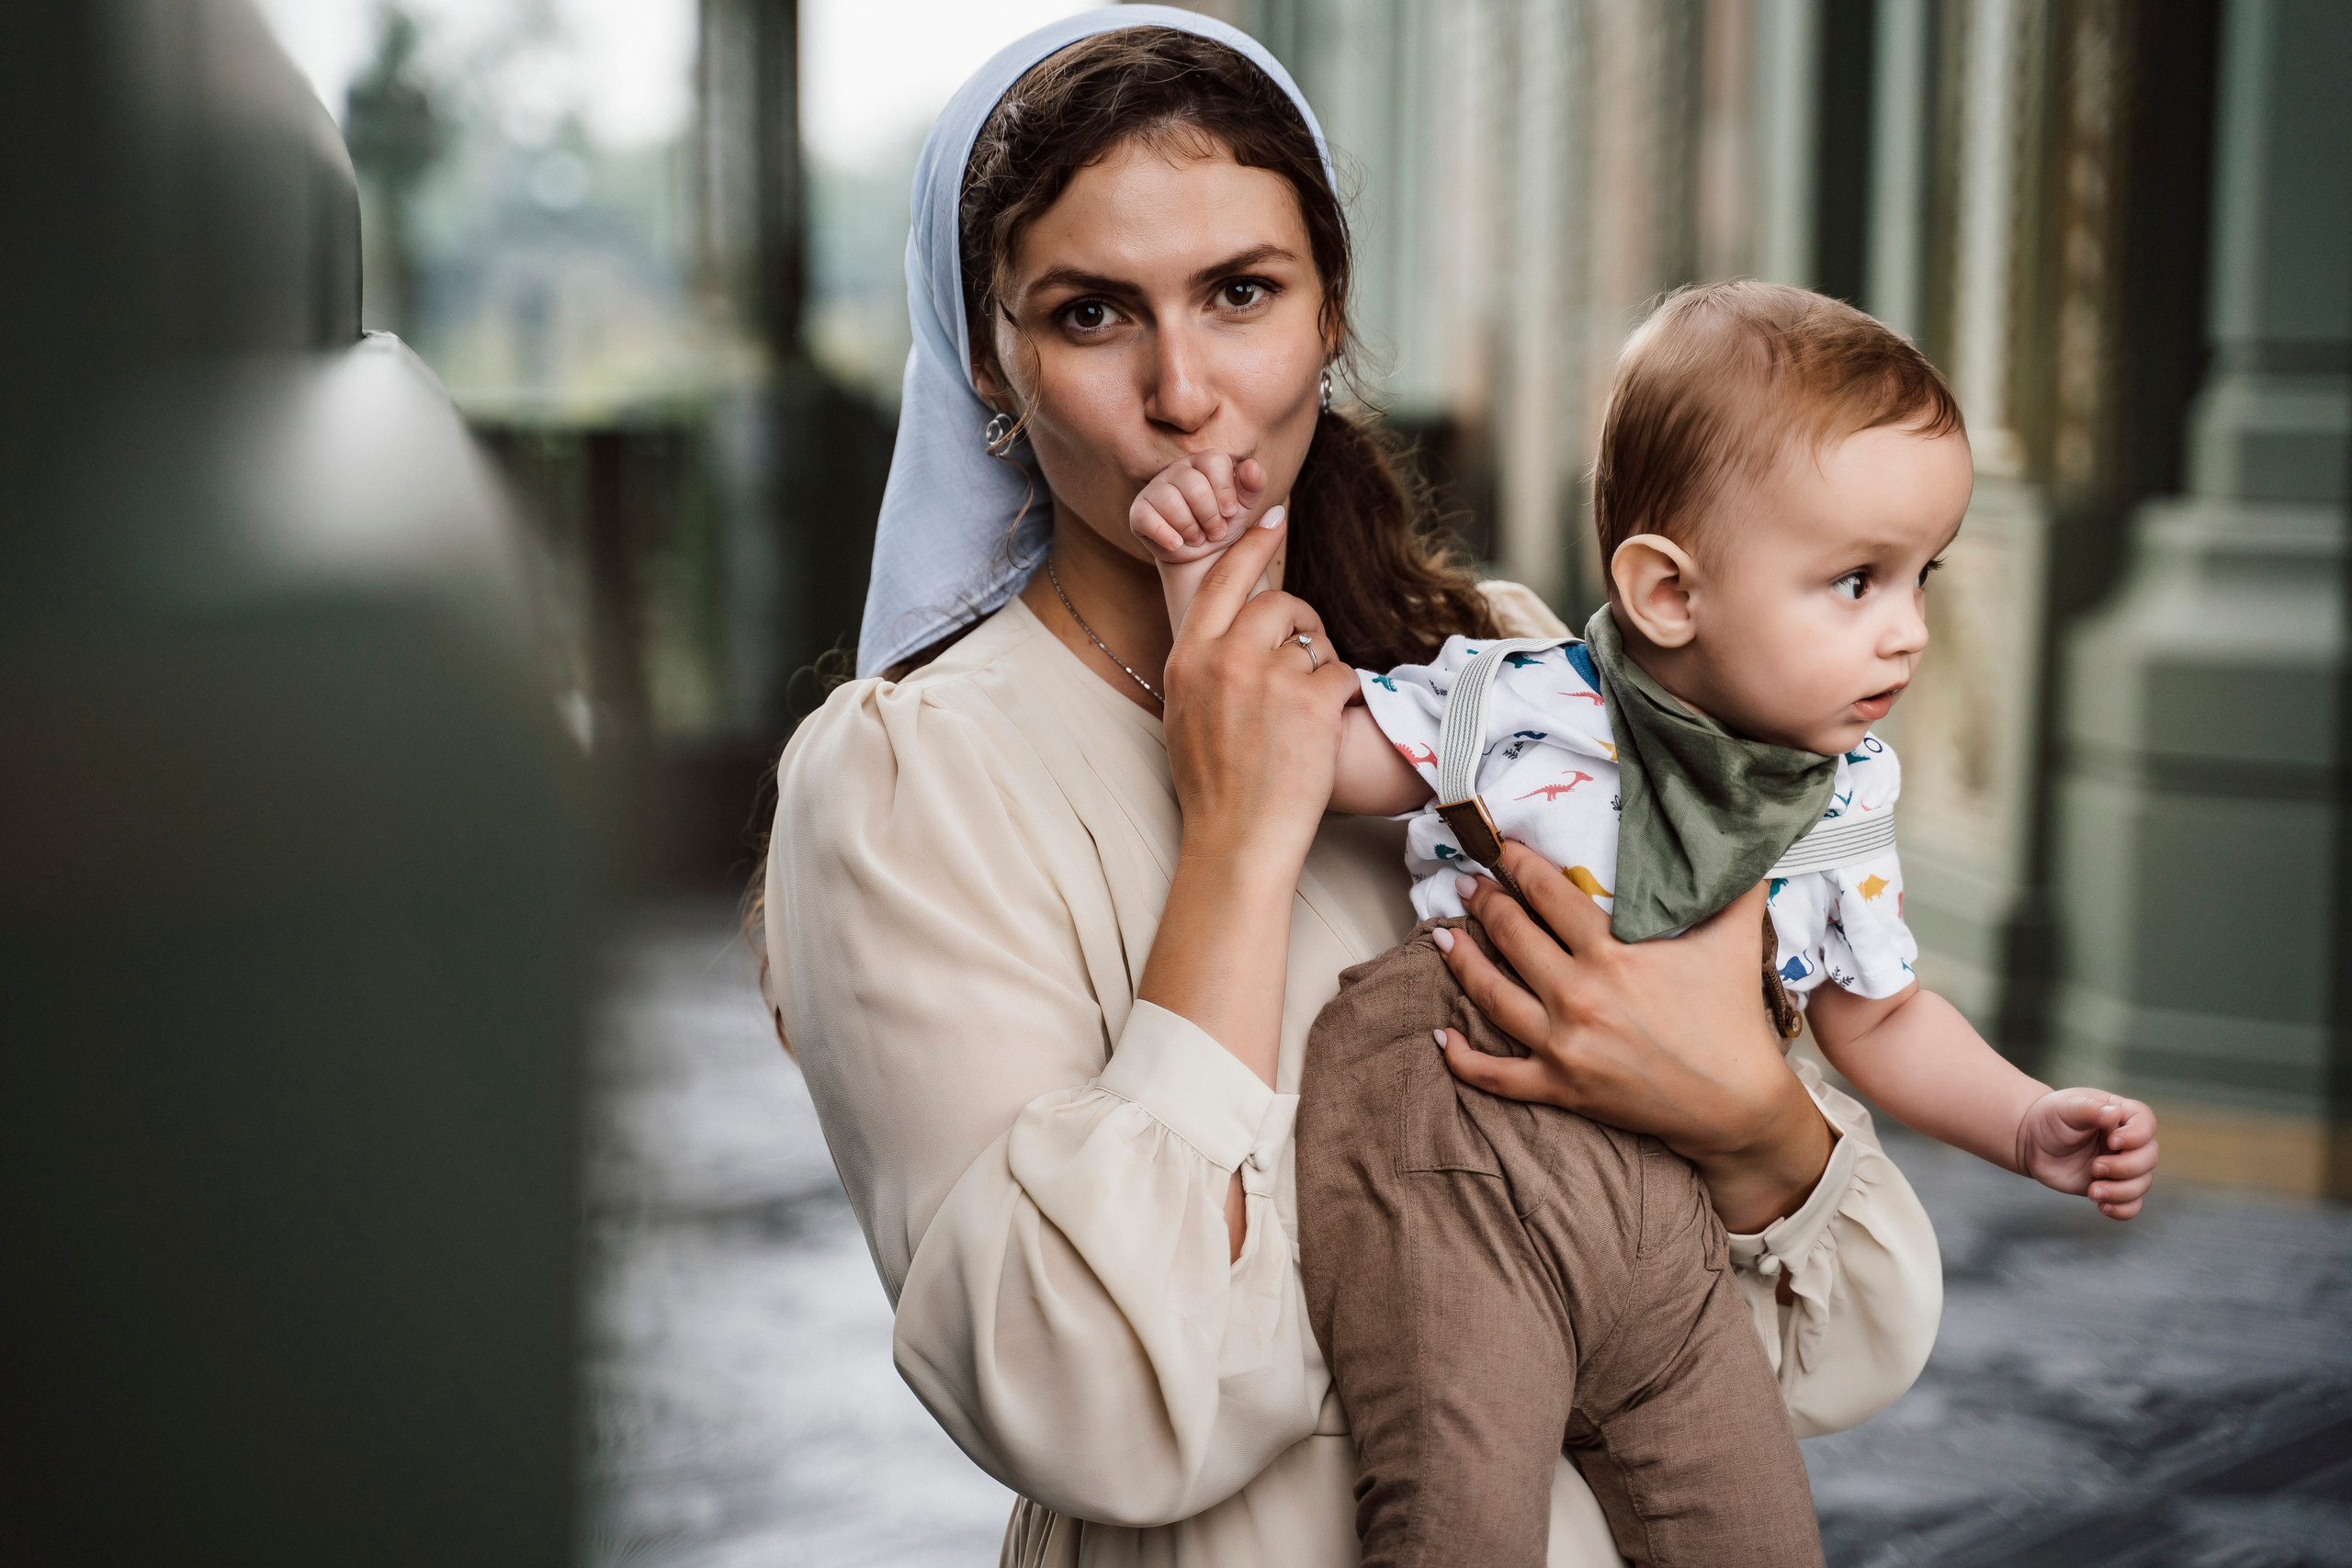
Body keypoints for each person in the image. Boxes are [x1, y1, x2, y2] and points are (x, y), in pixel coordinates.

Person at [758, 12, 1943, 1566]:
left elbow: (1832, 1343)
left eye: (1242, 293)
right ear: (991, 356)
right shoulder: (908, 778)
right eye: (1094, 313)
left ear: (1330, 314)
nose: (1187, 393)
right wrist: (1240, 843)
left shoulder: (1517, 679)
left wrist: (1740, 1118)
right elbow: (1100, 1402)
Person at [1133, 280, 2163, 1566]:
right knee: (1460, 1510)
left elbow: (1881, 1013)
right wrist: (1200, 579)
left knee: (1753, 1533)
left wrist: (2024, 1119)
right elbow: (1282, 752)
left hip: (1669, 1207)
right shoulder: (1516, 706)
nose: (1907, 635)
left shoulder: (1842, 798)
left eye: (1921, 579)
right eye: (1855, 583)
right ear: (1669, 593)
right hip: (1462, 1142)